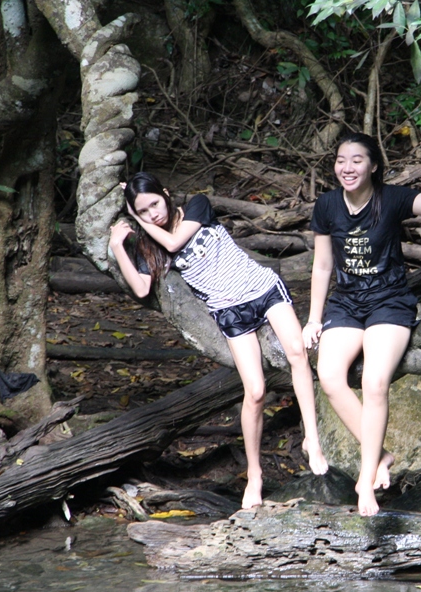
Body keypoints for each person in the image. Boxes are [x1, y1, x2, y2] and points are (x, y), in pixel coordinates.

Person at [109, 172, 329, 509]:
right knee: (255, 392)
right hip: (229, 311)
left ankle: (312, 440)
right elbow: (141, 288)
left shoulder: (197, 206)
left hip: (264, 290)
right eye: (145, 211)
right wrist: (117, 246)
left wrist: (135, 217)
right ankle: (255, 475)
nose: (154, 213)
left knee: (297, 351)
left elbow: (174, 242)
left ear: (166, 193)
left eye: (155, 203)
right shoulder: (148, 246)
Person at [303, 133, 421, 516]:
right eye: (341, 160)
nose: (348, 167)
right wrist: (312, 317)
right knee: (329, 376)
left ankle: (365, 480)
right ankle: (382, 455)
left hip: (389, 303)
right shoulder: (327, 205)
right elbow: (323, 265)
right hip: (346, 304)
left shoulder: (391, 198)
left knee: (373, 382)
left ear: (373, 165)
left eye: (357, 160)